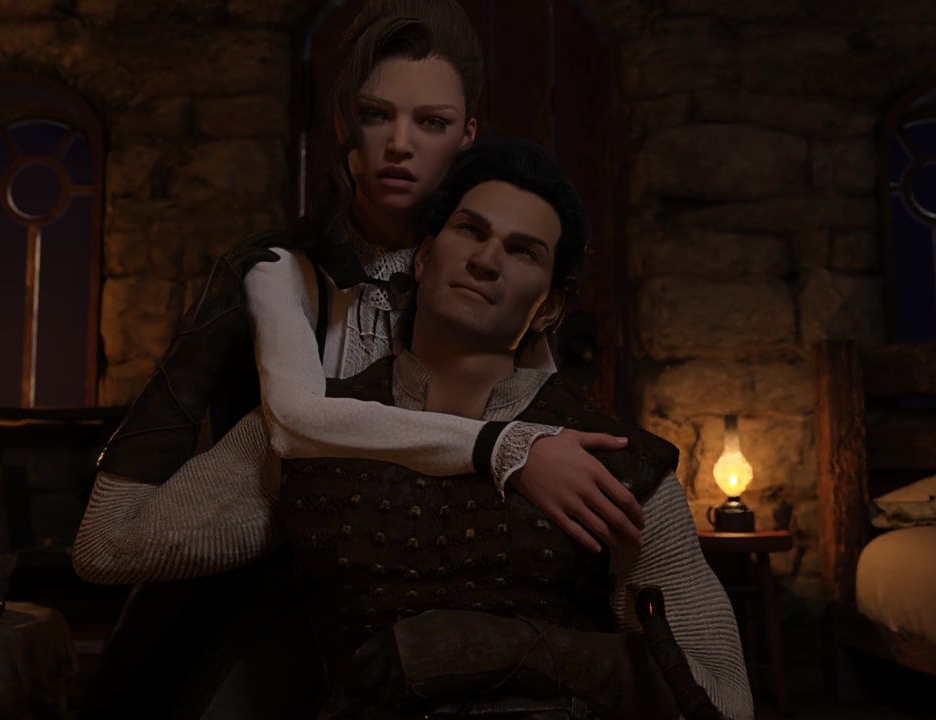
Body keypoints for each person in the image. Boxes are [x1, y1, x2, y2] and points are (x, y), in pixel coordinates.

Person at [76, 3, 641, 716]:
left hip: (444, 591)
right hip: (278, 595)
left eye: (431, 122)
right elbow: (280, 433)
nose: (399, 145)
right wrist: (504, 447)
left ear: (467, 134)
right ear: (345, 120)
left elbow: (548, 426)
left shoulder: (486, 278)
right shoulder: (276, 269)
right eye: (376, 115)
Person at [275, 137, 754, 719]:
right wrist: (202, 350)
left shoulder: (615, 464)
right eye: (469, 231)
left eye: (523, 251)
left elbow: (723, 697)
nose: (485, 260)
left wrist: (503, 648)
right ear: (423, 258)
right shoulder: (309, 424)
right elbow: (160, 540)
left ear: (548, 308)